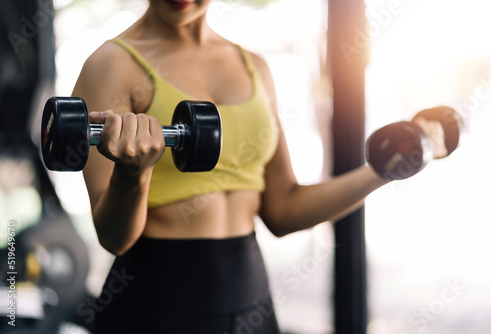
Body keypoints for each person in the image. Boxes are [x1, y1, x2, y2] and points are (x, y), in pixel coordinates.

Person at [72, 0, 445, 332]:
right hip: (155, 302)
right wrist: (133, 174)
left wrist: (384, 169)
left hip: (251, 299)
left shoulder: (254, 66)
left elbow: (283, 207)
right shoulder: (110, 64)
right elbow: (113, 237)